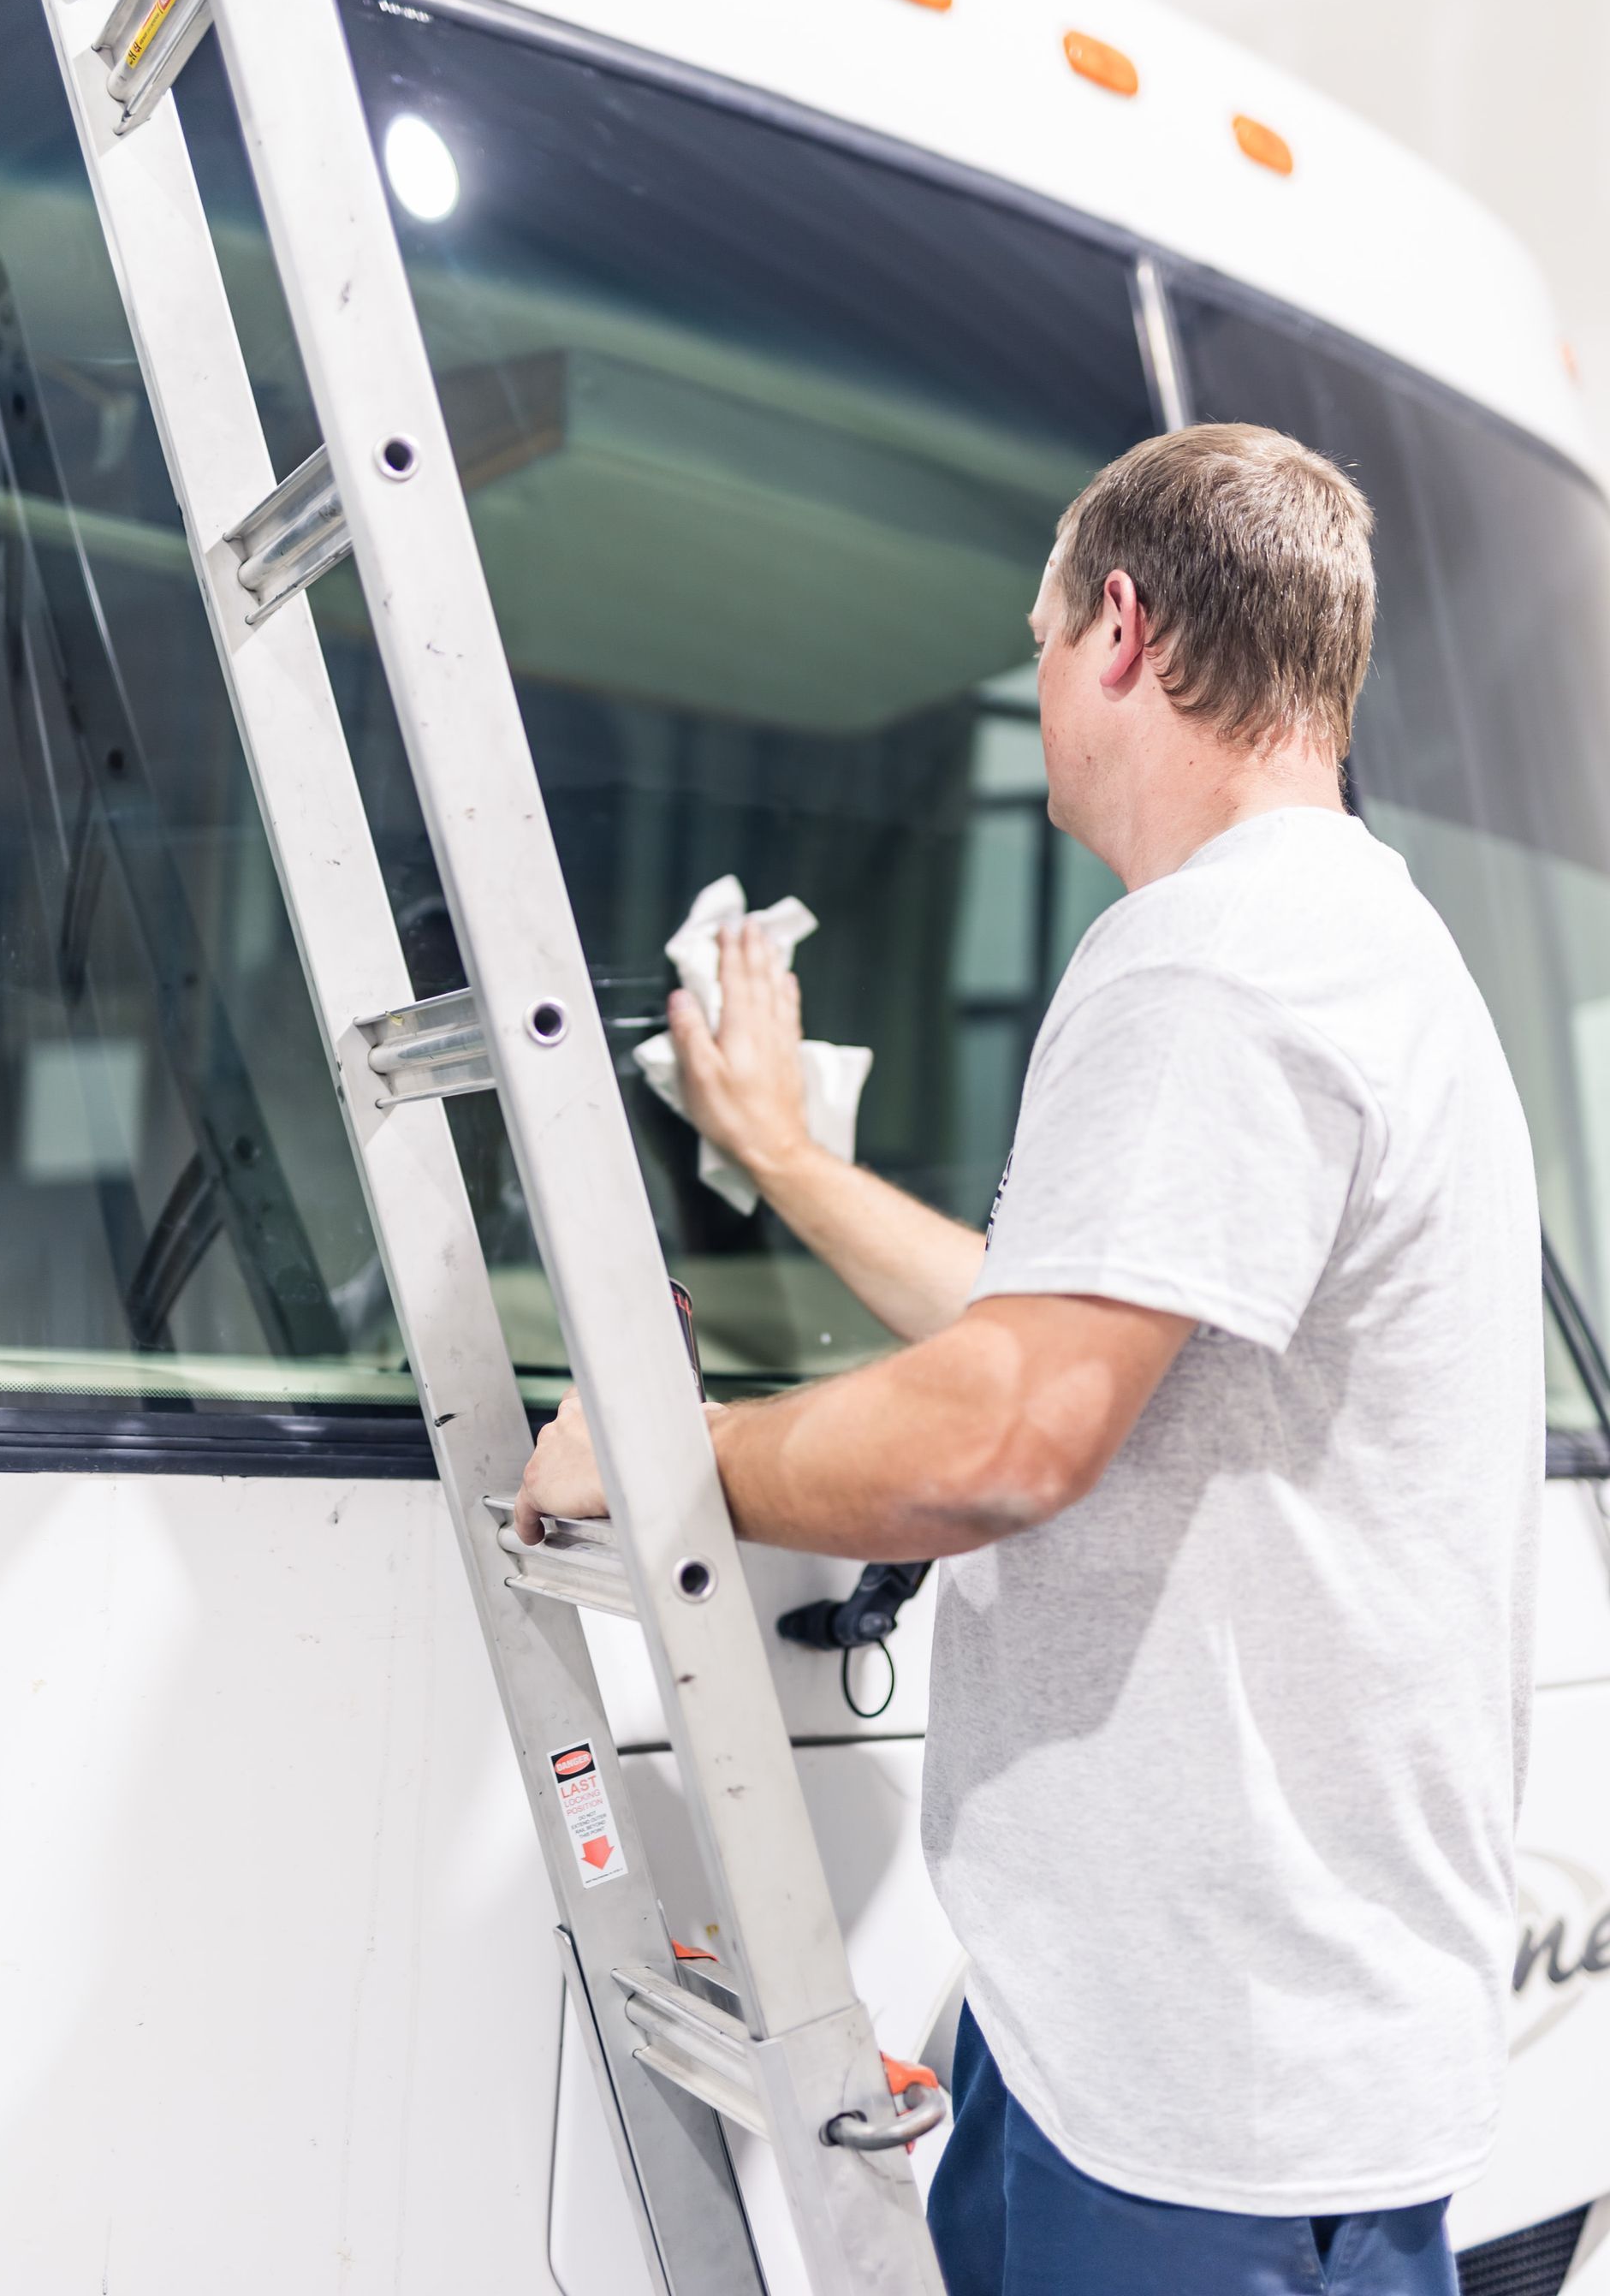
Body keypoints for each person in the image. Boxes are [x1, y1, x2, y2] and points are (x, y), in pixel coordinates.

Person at [514, 424, 1543, 2296]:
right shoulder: (1368, 948)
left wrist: (661, 1449)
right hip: (1260, 2066)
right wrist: (795, 1164)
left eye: (1042, 633)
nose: (1043, 676)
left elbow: (1012, 1428)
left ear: (1123, 631)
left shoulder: (1209, 959)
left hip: (1189, 2108)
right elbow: (1066, 1312)